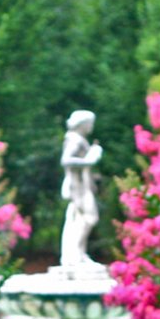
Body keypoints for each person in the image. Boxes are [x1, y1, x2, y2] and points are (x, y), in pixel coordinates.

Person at [58, 109, 103, 271]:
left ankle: (77, 255)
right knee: (89, 217)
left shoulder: (78, 139)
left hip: (82, 185)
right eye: (90, 123)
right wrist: (90, 160)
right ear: (83, 124)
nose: (91, 126)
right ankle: (75, 255)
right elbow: (66, 160)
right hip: (78, 186)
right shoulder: (75, 140)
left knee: (78, 218)